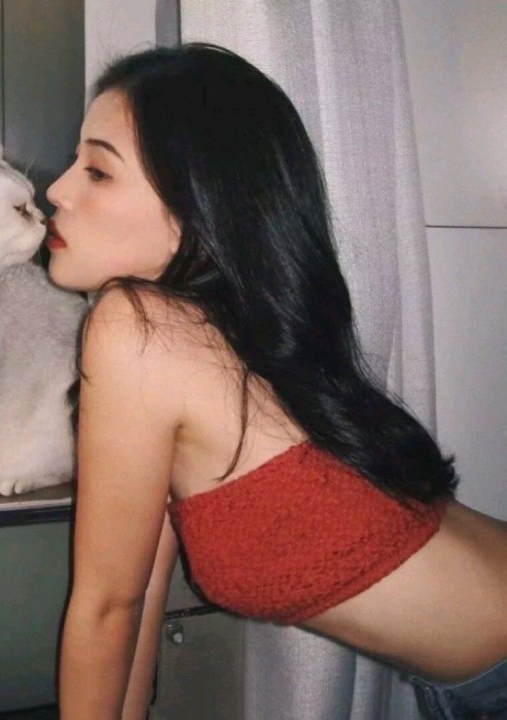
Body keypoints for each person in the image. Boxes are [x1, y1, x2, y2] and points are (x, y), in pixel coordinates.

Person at [44, 43, 507, 720]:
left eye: (97, 171)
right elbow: (132, 597)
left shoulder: (136, 327)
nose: (56, 190)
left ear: (194, 210)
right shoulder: (190, 335)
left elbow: (106, 608)